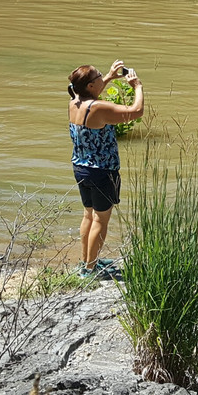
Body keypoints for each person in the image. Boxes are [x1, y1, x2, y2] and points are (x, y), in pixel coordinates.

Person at [67, 60, 144, 278]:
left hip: (80, 167)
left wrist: (110, 76)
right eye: (98, 76)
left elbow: (92, 93)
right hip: (102, 171)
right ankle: (90, 270)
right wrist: (137, 86)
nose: (102, 78)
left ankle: (86, 262)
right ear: (91, 86)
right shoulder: (98, 108)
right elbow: (136, 111)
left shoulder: (74, 102)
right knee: (100, 220)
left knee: (88, 216)